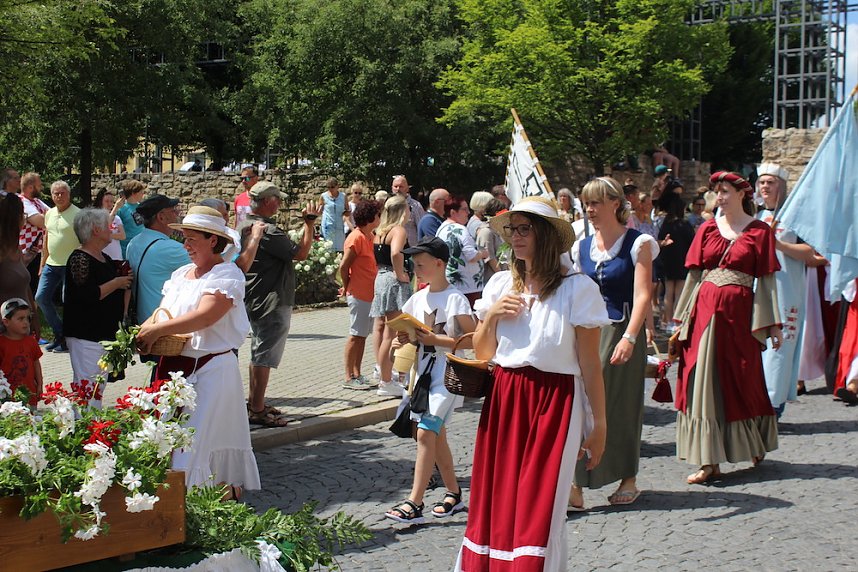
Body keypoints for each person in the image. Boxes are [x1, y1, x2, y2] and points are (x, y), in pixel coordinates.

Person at [455, 196, 608, 571]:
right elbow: (483, 352)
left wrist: (600, 424)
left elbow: (590, 363)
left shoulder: (578, 288)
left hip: (555, 402)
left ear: (546, 235)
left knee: (540, 505)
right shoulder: (501, 285)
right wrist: (492, 316)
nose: (517, 237)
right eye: (513, 229)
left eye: (526, 229)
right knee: (497, 496)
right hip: (504, 398)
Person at [135, 206, 261, 495]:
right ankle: (189, 503)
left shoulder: (226, 274)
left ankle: (210, 498)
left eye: (192, 239)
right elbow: (164, 312)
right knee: (167, 441)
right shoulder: (182, 274)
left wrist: (158, 331)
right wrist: (145, 329)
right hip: (174, 371)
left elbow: (205, 316)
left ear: (213, 240)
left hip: (210, 371)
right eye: (184, 238)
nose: (186, 245)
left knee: (193, 445)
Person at [673, 171, 782, 484]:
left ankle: (755, 441)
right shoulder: (707, 229)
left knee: (743, 379)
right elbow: (694, 276)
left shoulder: (760, 231)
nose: (719, 198)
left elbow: (767, 281)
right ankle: (708, 460)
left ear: (741, 194)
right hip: (704, 313)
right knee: (702, 380)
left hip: (740, 316)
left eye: (725, 192)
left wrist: (772, 324)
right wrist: (681, 319)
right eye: (717, 192)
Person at [569, 176, 657, 509]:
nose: (590, 209)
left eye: (596, 202)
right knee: (582, 403)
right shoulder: (581, 247)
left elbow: (643, 294)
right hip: (586, 331)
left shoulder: (638, 243)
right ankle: (576, 481)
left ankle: (627, 476)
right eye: (586, 203)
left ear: (615, 203)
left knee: (621, 404)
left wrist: (631, 337)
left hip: (621, 329)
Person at [384, 237, 476, 524]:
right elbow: (409, 336)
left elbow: (475, 339)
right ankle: (454, 494)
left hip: (448, 375)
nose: (416, 269)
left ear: (439, 264)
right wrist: (400, 341)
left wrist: (437, 340)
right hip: (422, 375)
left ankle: (415, 502)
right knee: (436, 436)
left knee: (426, 433)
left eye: (421, 264)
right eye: (414, 264)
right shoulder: (417, 298)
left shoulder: (456, 298)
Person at [237, 181, 320, 427]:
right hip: (270, 299)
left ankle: (255, 403)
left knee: (259, 352)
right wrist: (309, 224)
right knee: (264, 355)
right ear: (267, 201)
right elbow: (301, 253)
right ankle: (257, 409)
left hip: (256, 296)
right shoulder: (267, 230)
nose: (280, 203)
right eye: (277, 199)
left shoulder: (245, 224)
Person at [755, 163, 814, 416]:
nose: (765, 187)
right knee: (756, 345)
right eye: (762, 182)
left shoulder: (795, 217)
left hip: (786, 290)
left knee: (780, 347)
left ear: (781, 186)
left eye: (771, 182)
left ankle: (773, 406)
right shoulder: (754, 216)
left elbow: (809, 252)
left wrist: (778, 244)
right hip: (758, 290)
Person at [64, 208, 132, 406]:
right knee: (87, 388)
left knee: (96, 388)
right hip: (86, 335)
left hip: (102, 334)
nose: (111, 229)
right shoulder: (80, 259)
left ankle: (91, 422)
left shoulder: (104, 258)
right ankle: (84, 424)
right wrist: (117, 282)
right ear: (95, 230)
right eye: (107, 226)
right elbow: (87, 294)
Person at [369, 194, 413, 397]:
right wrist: (400, 273)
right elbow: (396, 253)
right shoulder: (398, 230)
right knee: (391, 333)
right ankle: (386, 381)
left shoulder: (380, 231)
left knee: (388, 331)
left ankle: (385, 375)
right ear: (402, 211)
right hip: (393, 281)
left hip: (381, 277)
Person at [126, 195, 189, 325]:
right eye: (173, 211)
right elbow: (214, 263)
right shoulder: (169, 248)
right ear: (161, 217)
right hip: (161, 324)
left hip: (140, 321)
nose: (177, 214)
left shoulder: (133, 242)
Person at [339, 199, 382, 390]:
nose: (380, 218)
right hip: (358, 293)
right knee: (355, 335)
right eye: (378, 215)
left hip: (369, 294)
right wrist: (347, 286)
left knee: (362, 335)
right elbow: (344, 266)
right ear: (370, 217)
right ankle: (349, 377)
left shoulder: (370, 236)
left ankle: (357, 373)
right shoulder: (355, 238)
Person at [37, 181, 80, 353]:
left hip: (70, 265)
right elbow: (47, 238)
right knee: (41, 298)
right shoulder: (49, 213)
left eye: (62, 193)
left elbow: (85, 239)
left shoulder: (78, 214)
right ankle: (59, 334)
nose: (59, 196)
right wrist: (42, 263)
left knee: (67, 301)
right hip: (51, 263)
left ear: (69, 194)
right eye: (55, 193)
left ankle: (68, 339)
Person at [435, 196, 488, 307]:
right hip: (468, 287)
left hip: (450, 284)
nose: (468, 212)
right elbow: (471, 256)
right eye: (464, 209)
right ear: (453, 212)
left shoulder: (441, 229)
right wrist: (483, 254)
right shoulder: (461, 230)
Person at [0, 194, 39, 339]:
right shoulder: (2, 252)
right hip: (5, 331)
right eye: (23, 214)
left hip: (21, 328)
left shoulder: (16, 248)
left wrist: (34, 318)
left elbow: (25, 286)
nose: (25, 218)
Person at [657, 192, 695, 334]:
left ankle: (667, 321)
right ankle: (676, 321)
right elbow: (692, 242)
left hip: (668, 261)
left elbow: (660, 239)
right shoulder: (685, 224)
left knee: (668, 292)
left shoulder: (666, 224)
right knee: (679, 293)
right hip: (682, 260)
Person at [0, 298, 42, 407]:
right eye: (20, 318)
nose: (26, 322)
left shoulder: (31, 341)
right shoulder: (1, 343)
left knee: (32, 416)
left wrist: (39, 384)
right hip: (7, 400)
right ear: (6, 322)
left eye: (28, 318)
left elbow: (36, 363)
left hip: (29, 395)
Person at [17, 172, 49, 296]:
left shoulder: (37, 201)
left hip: (37, 252)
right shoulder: (22, 202)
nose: (41, 188)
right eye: (39, 185)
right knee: (26, 288)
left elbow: (54, 215)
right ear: (31, 187)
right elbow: (42, 222)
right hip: (26, 252)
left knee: (34, 288)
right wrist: (46, 217)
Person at [474, 198, 506, 284]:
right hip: (492, 280)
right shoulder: (486, 232)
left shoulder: (497, 230)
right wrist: (502, 277)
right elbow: (490, 258)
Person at [391, 175, 425, 247]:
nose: (398, 189)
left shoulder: (416, 206)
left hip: (411, 249)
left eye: (401, 186)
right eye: (395, 186)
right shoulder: (388, 205)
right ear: (392, 188)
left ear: (407, 189)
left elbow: (422, 229)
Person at [116, 179, 147, 257]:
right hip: (126, 250)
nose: (143, 195)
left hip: (141, 248)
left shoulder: (141, 207)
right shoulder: (121, 209)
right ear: (133, 193)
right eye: (141, 192)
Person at [318, 177, 350, 253]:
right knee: (327, 250)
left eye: (332, 187)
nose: (330, 189)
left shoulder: (343, 196)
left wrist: (345, 214)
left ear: (337, 186)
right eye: (328, 187)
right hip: (327, 226)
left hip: (339, 226)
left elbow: (347, 210)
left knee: (339, 250)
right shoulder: (323, 196)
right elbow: (319, 210)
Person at [93, 189, 125, 261]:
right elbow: (103, 228)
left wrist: (107, 235)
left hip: (117, 257)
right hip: (103, 257)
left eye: (111, 201)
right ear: (101, 202)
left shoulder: (117, 218)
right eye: (107, 201)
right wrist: (116, 207)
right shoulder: (96, 217)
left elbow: (123, 236)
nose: (109, 204)